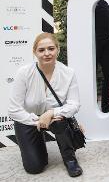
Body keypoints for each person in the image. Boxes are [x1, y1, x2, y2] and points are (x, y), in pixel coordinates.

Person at [8, 33, 83, 177]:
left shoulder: (68, 73)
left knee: (60, 121)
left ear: (58, 50)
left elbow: (74, 104)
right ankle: (38, 144)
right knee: (34, 167)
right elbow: (14, 109)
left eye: (51, 49)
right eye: (41, 50)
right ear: (34, 52)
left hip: (55, 119)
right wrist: (38, 121)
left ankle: (70, 159)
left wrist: (51, 113)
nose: (47, 53)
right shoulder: (24, 73)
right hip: (28, 120)